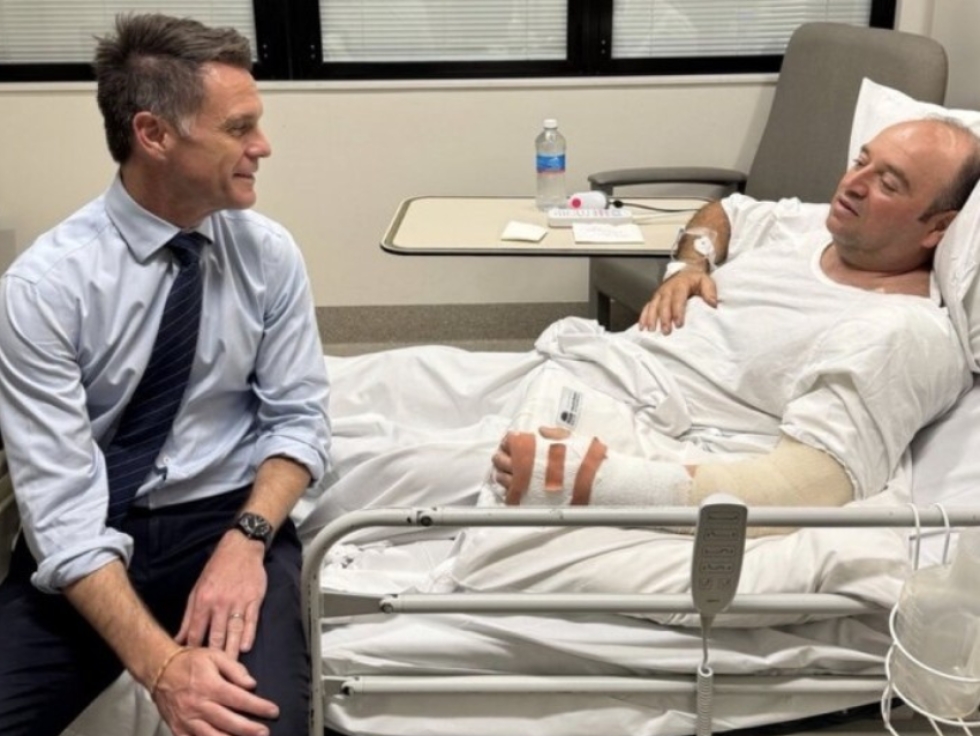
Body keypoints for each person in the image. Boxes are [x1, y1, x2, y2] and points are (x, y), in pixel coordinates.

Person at [0, 13, 330, 736]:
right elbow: (59, 508)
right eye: (239, 127)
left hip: (227, 516)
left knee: (252, 726)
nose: (262, 146)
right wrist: (162, 667)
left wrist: (247, 540)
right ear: (154, 135)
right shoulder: (46, 288)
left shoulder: (267, 254)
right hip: (95, 522)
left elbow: (298, 421)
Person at [489, 117, 980, 513]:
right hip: (600, 365)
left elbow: (807, 487)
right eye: (860, 162)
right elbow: (725, 212)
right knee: (411, 382)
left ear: (939, 228)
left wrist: (595, 481)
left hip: (630, 420)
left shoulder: (903, 331)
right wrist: (688, 265)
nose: (852, 184)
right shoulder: (814, 227)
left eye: (888, 184)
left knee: (419, 463)